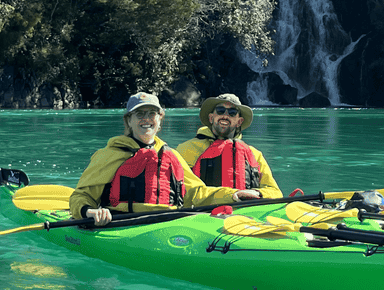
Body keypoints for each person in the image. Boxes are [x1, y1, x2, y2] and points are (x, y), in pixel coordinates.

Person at [69, 92, 262, 226]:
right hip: (123, 223)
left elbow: (196, 193)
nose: (146, 119)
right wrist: (90, 212)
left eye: (151, 113)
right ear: (129, 120)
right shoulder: (110, 155)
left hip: (167, 223)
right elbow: (80, 197)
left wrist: (233, 195)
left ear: (160, 118)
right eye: (140, 114)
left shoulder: (171, 155)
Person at [176, 92, 282, 198]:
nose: (225, 116)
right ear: (211, 118)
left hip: (245, 211)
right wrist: (230, 196)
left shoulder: (255, 155)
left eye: (232, 112)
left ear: (239, 121)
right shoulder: (186, 149)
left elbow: (275, 192)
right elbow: (181, 190)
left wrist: (258, 193)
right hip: (202, 212)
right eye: (220, 111)